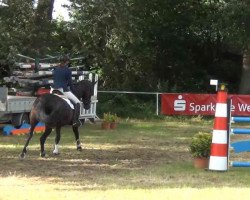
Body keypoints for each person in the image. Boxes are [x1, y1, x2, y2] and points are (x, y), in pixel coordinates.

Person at [52, 55, 81, 127]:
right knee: (77, 102)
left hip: (54, 90)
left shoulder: (55, 69)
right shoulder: (68, 70)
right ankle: (75, 121)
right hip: (63, 90)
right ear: (67, 62)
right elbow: (70, 83)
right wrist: (73, 91)